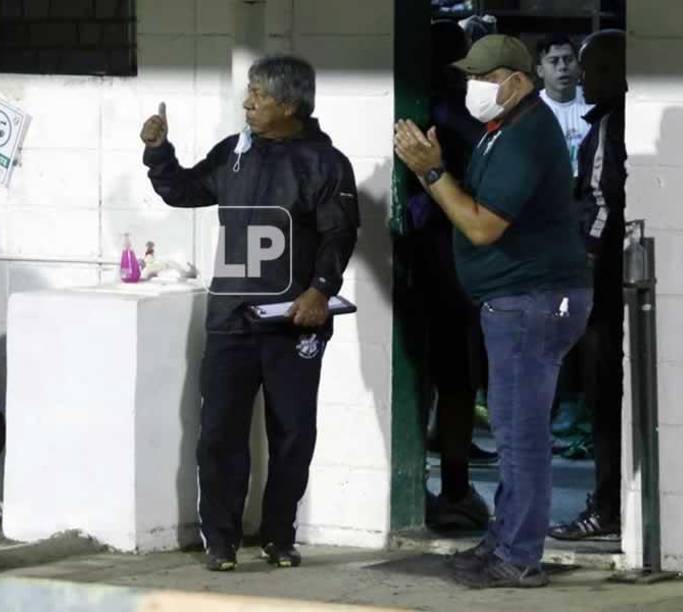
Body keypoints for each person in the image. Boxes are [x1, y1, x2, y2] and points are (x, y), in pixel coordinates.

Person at [141, 55, 359, 572]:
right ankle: (221, 540)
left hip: (293, 323)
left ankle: (280, 536)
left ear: (289, 105)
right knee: (219, 434)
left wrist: (320, 290)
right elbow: (183, 191)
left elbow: (339, 233)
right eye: (249, 94)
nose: (247, 104)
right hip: (230, 321)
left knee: (292, 434)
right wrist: (158, 152)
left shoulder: (326, 164)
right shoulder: (233, 154)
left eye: (258, 96)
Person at [394, 34, 593, 589]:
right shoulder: (502, 129)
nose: (473, 88)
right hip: (517, 301)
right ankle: (505, 540)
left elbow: (482, 226)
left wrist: (433, 174)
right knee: (511, 430)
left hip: (533, 302)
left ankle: (520, 555)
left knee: (522, 434)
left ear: (516, 80)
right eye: (470, 77)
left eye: (483, 79)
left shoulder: (526, 136)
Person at [548, 29, 629, 542]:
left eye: (592, 67)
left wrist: (583, 265)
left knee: (604, 399)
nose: (580, 74)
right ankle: (609, 500)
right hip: (610, 286)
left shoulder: (608, 125)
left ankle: (607, 505)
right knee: (602, 398)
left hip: (601, 288)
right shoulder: (611, 120)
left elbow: (600, 204)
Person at [413, 19, 491, 534]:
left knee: (438, 379)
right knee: (457, 382)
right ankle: (457, 489)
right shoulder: (456, 116)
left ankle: (450, 486)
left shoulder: (417, 110)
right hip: (452, 263)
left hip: (426, 260)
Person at [535, 34, 594, 177]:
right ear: (540, 71)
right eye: (554, 61)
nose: (562, 67)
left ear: (579, 67)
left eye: (568, 60)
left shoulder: (595, 104)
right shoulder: (531, 109)